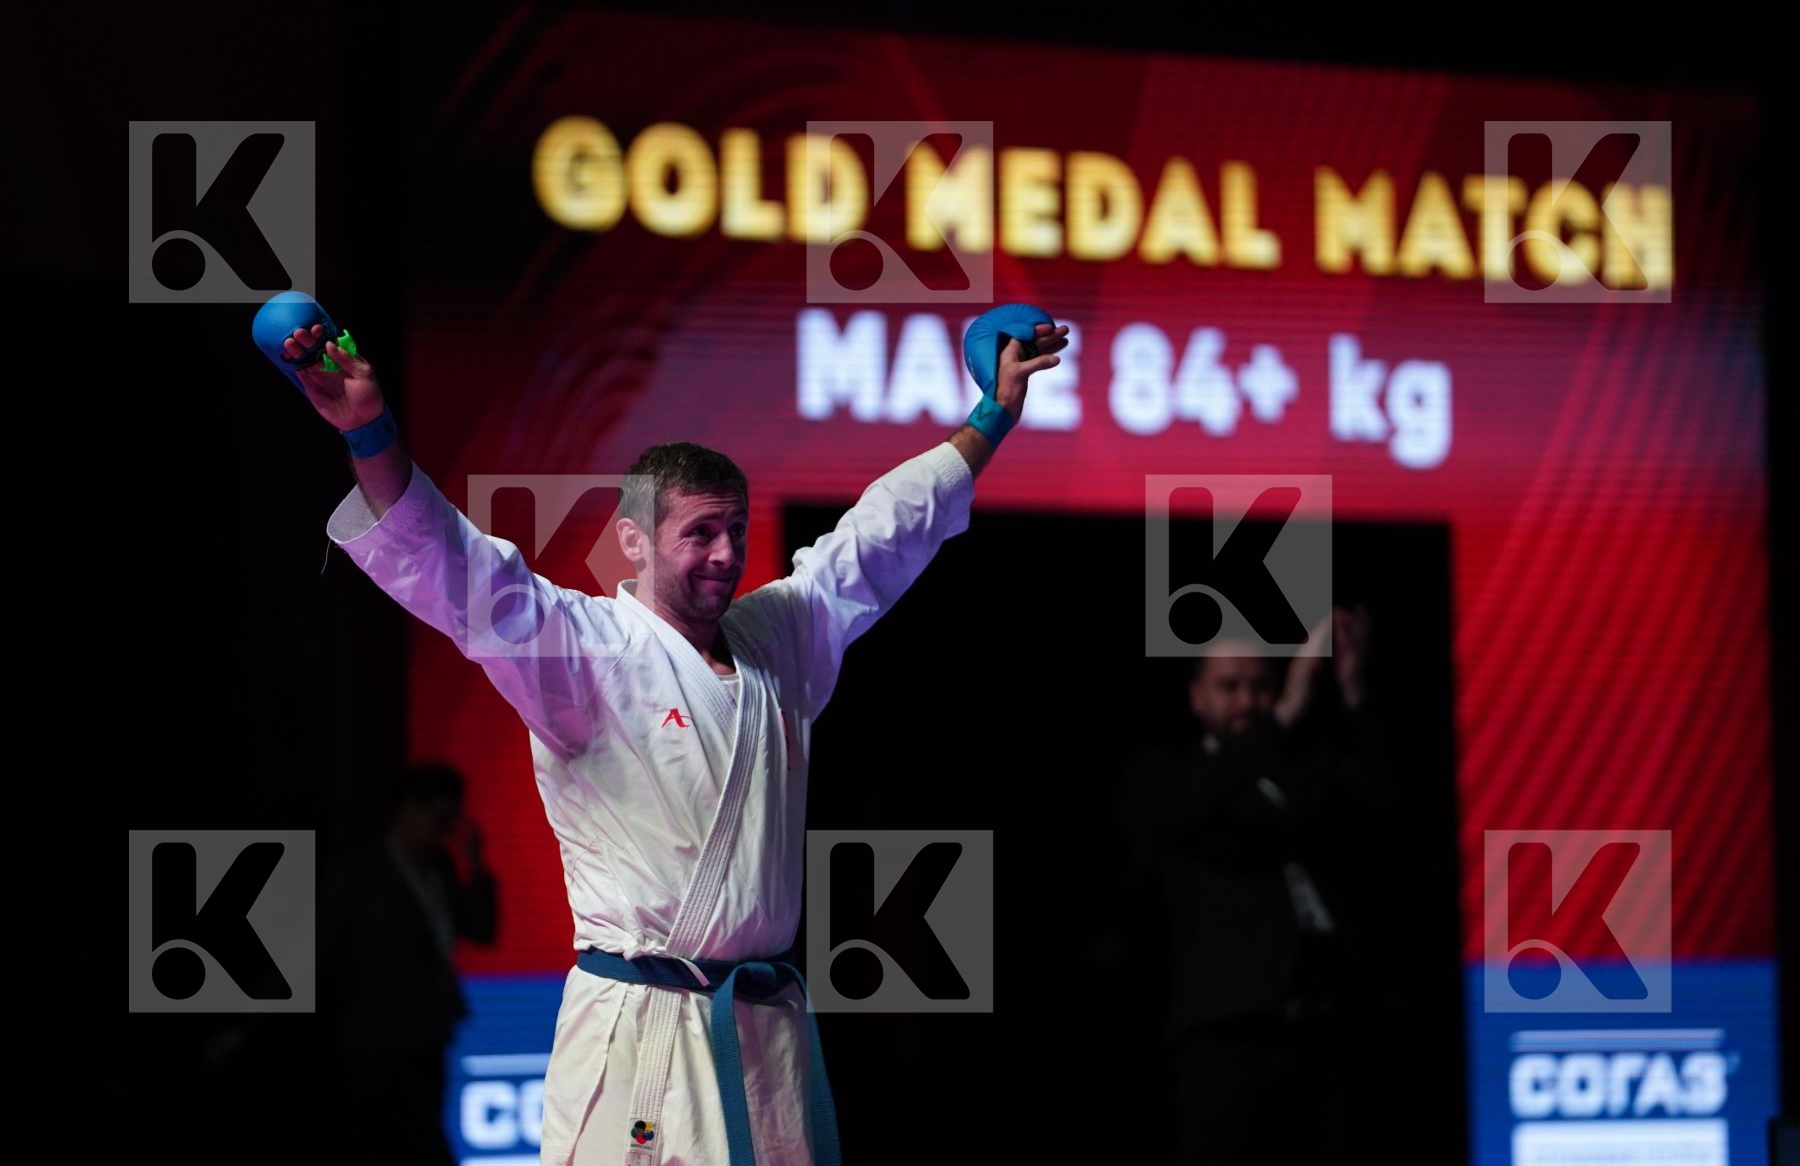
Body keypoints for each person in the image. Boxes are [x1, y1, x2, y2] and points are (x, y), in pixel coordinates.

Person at [281, 311, 1067, 1166]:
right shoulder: (583, 650)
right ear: (632, 542)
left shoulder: (782, 634)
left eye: (735, 528)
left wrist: (990, 416)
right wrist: (371, 431)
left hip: (762, 1031)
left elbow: (882, 535)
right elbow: (460, 570)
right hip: (641, 1034)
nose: (726, 553)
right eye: (699, 531)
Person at [1117, 608, 1379, 1165]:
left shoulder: (1301, 774)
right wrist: (1282, 715)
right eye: (1228, 687)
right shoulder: (1167, 779)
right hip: (1226, 1041)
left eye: (1260, 687)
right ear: (1196, 698)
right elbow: (1190, 814)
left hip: (1327, 1035)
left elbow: (1377, 809)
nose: (1245, 702)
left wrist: (1352, 691)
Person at [320, 761, 498, 1166]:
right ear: (407, 809)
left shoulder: (441, 869)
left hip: (427, 1034)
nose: (445, 830)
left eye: (452, 821)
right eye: (439, 818)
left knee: (419, 1135)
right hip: (375, 1040)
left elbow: (482, 932)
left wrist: (478, 868)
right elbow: (319, 948)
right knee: (394, 1142)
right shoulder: (360, 872)